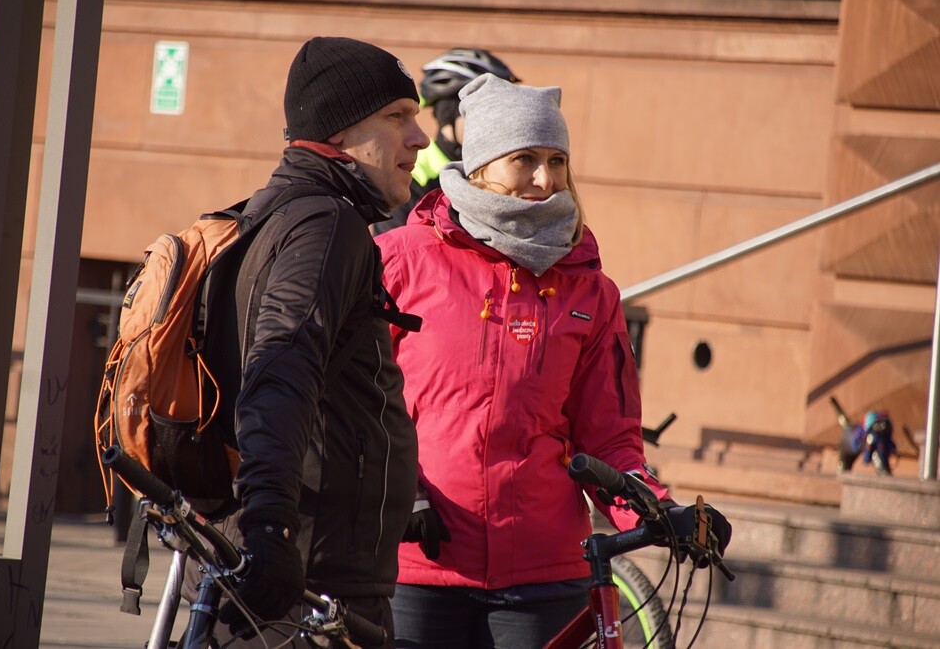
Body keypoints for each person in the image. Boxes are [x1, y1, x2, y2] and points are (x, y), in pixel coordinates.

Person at [376, 74, 732, 648]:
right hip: (417, 568)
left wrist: (658, 512)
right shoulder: (398, 261)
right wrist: (400, 490)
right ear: (481, 165)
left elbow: (610, 441)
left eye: (557, 161)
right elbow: (356, 401)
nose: (546, 180)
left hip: (544, 579)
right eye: (524, 159)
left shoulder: (592, 292)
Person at [202, 36, 429, 647]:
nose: (421, 138)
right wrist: (270, 527)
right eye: (396, 117)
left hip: (299, 564)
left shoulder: (274, 212)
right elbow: (282, 368)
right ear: (339, 134)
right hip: (312, 584)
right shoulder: (329, 226)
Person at [370, 47, 520, 236]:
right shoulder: (411, 172)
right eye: (482, 114)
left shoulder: (509, 167)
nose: (494, 124)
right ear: (448, 116)